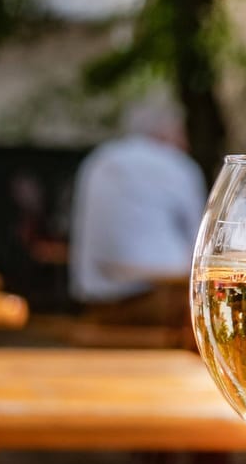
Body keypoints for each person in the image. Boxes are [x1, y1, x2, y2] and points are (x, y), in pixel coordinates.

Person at [68, 100, 206, 321]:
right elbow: (202, 243)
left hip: (95, 300)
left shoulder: (98, 159)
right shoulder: (178, 165)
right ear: (170, 131)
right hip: (159, 300)